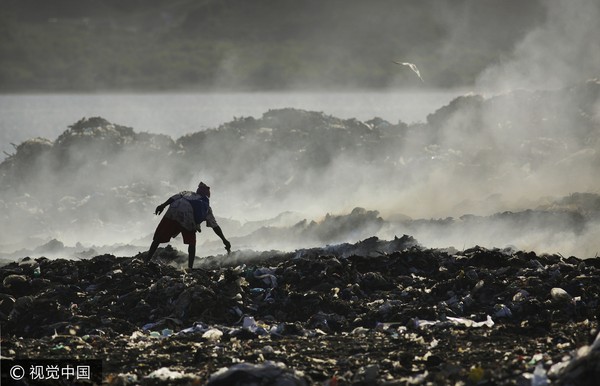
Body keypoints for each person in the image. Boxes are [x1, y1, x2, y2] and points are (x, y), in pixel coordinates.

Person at [145, 182, 231, 270]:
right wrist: (224, 240)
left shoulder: (186, 193)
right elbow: (215, 226)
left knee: (158, 238)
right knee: (192, 243)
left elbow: (173, 198)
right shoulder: (206, 207)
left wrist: (162, 206)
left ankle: (146, 261)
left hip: (173, 210)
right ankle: (190, 268)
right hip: (188, 218)